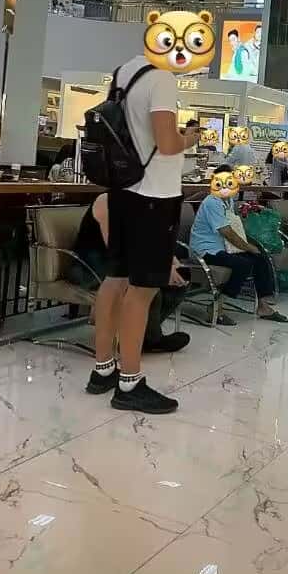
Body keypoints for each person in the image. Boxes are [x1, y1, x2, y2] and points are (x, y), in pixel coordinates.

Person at [88, 53, 200, 413]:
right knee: (142, 289)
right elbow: (166, 143)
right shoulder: (162, 79)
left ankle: (103, 369)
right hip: (154, 197)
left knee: (115, 279)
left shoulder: (124, 72)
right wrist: (189, 139)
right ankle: (130, 382)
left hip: (122, 191)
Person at [70, 194, 189, 352]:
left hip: (120, 263)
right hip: (90, 267)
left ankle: (143, 335)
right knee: (145, 287)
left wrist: (171, 262)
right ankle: (145, 339)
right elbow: (118, 250)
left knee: (178, 284)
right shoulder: (107, 201)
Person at [190, 165, 288, 322]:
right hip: (206, 250)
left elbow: (232, 226)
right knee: (243, 264)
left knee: (261, 257)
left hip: (224, 248)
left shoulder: (228, 200)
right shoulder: (212, 202)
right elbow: (226, 231)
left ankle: (263, 306)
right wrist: (248, 247)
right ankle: (216, 307)